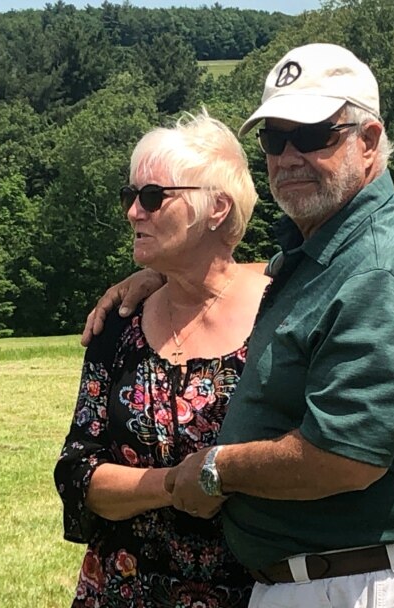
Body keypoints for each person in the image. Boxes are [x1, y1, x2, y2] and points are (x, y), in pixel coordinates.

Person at [81, 43, 394, 608]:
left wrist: (214, 470)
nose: (288, 155)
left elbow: (343, 456)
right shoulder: (318, 257)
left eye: (314, 134)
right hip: (321, 578)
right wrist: (159, 279)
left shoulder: (381, 269)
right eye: (273, 138)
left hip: (360, 583)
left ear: (367, 142)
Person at [55, 110, 270, 606]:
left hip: (252, 592)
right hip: (124, 590)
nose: (133, 212)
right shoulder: (120, 323)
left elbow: (328, 440)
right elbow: (78, 471)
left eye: (153, 197)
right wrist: (172, 484)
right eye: (129, 196)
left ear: (217, 208)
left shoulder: (282, 316)